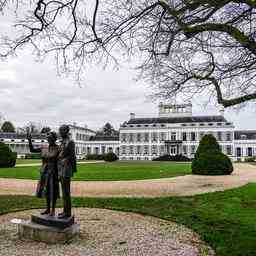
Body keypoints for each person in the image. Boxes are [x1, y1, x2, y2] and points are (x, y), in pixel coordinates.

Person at [27, 131, 59, 216]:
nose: (49, 139)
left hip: (53, 172)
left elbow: (60, 162)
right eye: (48, 138)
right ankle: (48, 209)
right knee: (46, 190)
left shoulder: (58, 148)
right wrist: (29, 140)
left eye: (50, 138)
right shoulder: (43, 146)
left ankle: (53, 210)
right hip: (44, 171)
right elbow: (32, 150)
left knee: (53, 190)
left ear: (54, 138)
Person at [57, 125, 77, 219]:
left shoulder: (70, 142)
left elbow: (72, 156)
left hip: (66, 168)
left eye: (62, 130)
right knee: (64, 192)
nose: (60, 132)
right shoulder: (62, 142)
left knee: (66, 192)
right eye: (60, 130)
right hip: (61, 168)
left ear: (66, 131)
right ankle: (65, 211)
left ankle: (67, 212)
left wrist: (73, 169)